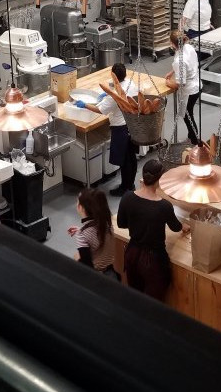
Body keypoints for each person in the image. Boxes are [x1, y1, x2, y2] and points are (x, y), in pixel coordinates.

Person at [116, 159, 189, 300]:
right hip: (154, 261)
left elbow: (121, 224)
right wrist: (184, 227)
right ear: (159, 180)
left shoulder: (127, 197)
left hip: (132, 254)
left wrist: (138, 224)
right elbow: (175, 227)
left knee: (135, 297)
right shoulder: (164, 206)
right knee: (153, 303)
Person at [75, 62, 138, 197]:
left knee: (124, 161)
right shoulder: (131, 84)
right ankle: (130, 184)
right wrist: (107, 93)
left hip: (121, 128)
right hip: (133, 124)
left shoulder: (113, 96)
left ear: (113, 75)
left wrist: (84, 105)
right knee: (131, 157)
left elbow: (100, 110)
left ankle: (125, 188)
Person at [68, 188, 117, 278]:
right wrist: (81, 229)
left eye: (77, 202)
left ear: (81, 207)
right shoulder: (107, 223)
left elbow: (86, 267)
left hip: (96, 277)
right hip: (111, 273)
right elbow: (95, 235)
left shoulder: (82, 235)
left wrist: (77, 258)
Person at [164, 30, 201, 145]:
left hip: (190, 91)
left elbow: (180, 84)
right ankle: (192, 137)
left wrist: (167, 83)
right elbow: (184, 66)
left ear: (172, 44)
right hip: (197, 84)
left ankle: (195, 141)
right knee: (188, 113)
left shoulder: (179, 60)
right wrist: (172, 72)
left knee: (187, 116)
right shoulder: (188, 47)